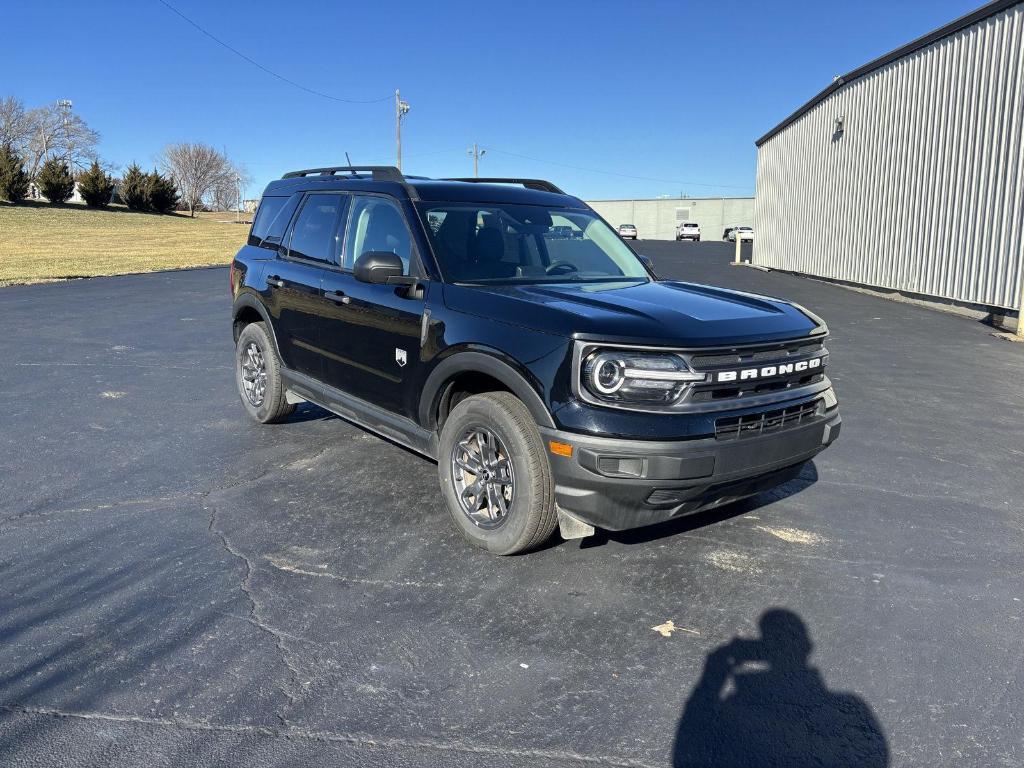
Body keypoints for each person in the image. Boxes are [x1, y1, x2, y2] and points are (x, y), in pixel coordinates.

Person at [674, 608, 888, 767]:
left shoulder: (733, 704)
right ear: (807, 646)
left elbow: (686, 750)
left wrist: (713, 671)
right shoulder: (851, 705)